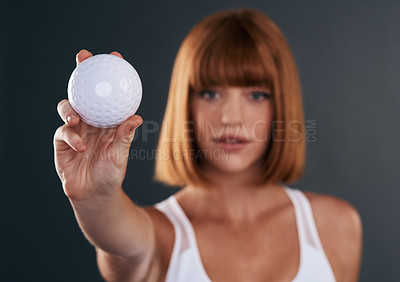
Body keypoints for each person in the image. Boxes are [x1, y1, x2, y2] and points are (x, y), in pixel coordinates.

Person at [54, 8, 362, 282]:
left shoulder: (336, 226)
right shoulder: (159, 238)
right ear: (185, 105)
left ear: (281, 105)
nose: (231, 118)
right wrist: (95, 195)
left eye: (256, 95)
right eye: (210, 94)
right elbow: (116, 236)